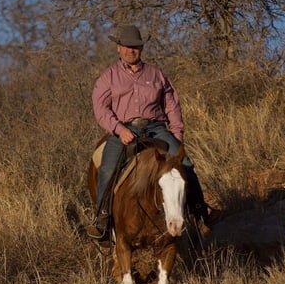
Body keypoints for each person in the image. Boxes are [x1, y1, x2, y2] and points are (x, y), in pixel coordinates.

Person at [87, 24, 214, 240]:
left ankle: (200, 213)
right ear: (118, 47)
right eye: (126, 46)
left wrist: (176, 135)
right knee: (108, 168)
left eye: (135, 46)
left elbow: (172, 104)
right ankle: (103, 219)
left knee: (185, 164)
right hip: (124, 129)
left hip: (155, 128)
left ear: (141, 47)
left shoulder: (156, 74)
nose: (131, 50)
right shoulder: (108, 76)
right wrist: (118, 130)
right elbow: (100, 108)